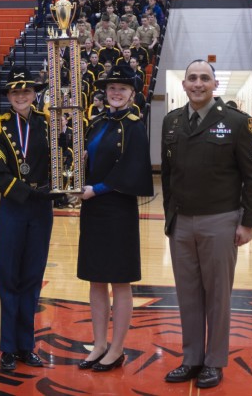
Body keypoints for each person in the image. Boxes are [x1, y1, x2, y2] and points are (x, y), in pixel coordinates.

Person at [161, 60, 252, 389]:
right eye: (192, 78)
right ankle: (191, 358)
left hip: (220, 221)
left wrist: (247, 223)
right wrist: (170, 217)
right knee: (187, 295)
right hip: (182, 223)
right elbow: (167, 175)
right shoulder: (171, 122)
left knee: (217, 295)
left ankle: (214, 362)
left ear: (214, 85)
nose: (198, 83)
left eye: (205, 78)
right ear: (184, 84)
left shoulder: (238, 122)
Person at [0, 67, 64, 371]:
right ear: (8, 96)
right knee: (8, 278)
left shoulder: (48, 123)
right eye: (15, 92)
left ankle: (26, 345)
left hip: (41, 209)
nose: (21, 96)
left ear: (34, 94)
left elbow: (61, 159)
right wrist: (29, 192)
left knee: (32, 278)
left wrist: (59, 187)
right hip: (11, 207)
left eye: (26, 91)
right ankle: (6, 347)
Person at [75, 64, 153, 372]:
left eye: (122, 88)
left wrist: (97, 189)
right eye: (111, 88)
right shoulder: (96, 122)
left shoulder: (134, 125)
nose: (116, 92)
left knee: (120, 281)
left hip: (118, 209)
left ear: (132, 93)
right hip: (93, 209)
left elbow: (133, 169)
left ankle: (117, 348)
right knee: (96, 279)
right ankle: (99, 344)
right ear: (105, 93)